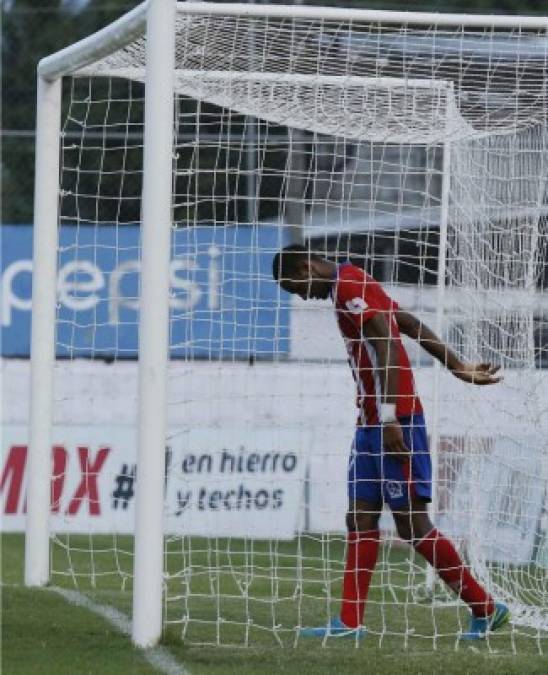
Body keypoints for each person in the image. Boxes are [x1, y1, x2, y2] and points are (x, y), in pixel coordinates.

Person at [272, 244, 509, 640]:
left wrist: (390, 417)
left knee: (413, 525)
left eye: (295, 286)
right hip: (369, 423)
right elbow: (408, 323)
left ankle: (485, 608)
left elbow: (385, 342)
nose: (301, 295)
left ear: (305, 265)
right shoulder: (350, 284)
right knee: (360, 518)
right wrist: (457, 366)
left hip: (393, 421)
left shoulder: (349, 286)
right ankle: (349, 623)